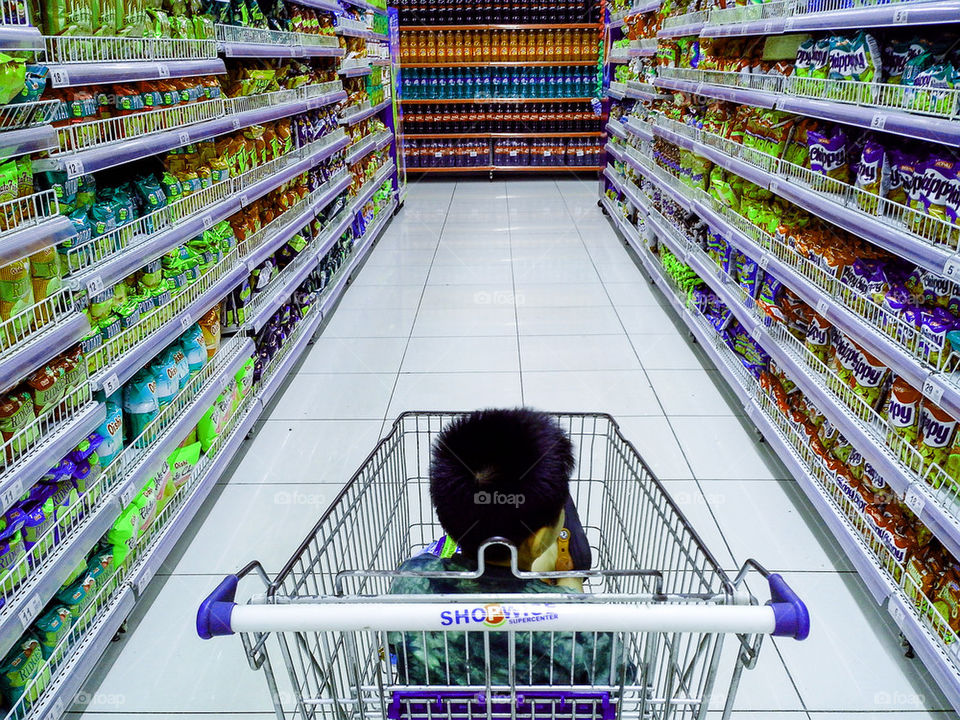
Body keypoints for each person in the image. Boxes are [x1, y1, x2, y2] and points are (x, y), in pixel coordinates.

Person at [388, 408, 630, 687]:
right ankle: (562, 573)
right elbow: (623, 685)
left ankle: (535, 564)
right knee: (572, 598)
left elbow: (395, 647)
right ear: (540, 540)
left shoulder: (411, 581)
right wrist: (572, 589)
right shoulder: (591, 632)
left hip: (437, 713)